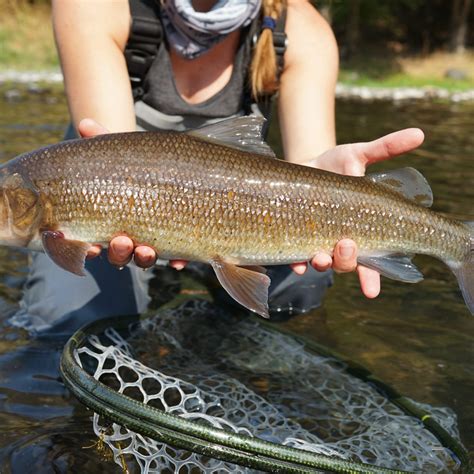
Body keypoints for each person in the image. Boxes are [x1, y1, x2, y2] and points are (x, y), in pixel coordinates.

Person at [12, 0, 424, 333]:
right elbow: (119, 159)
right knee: (66, 322)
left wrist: (326, 175)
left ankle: (236, 346)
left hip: (232, 208)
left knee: (304, 280)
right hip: (135, 217)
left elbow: (308, 163)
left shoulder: (303, 31)